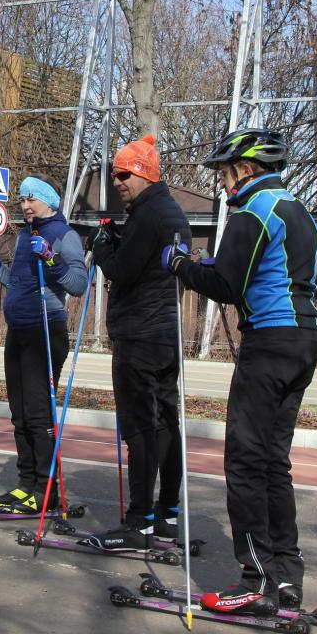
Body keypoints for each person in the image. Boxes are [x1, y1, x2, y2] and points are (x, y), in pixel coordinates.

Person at [164, 128, 317, 616]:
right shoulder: (298, 210)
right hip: (303, 339)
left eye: (225, 173)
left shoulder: (252, 212)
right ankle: (287, 575)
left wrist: (181, 265)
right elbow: (266, 272)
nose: (223, 182)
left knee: (245, 463)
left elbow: (227, 286)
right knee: (274, 462)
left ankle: (256, 580)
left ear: (246, 169)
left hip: (269, 343)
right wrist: (215, 264)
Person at [85, 134, 190, 552]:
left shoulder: (148, 216)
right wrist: (117, 240)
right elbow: (146, 264)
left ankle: (140, 521)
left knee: (140, 427)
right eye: (115, 174)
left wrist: (102, 248)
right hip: (164, 333)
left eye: (123, 174)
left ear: (144, 174)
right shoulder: (170, 211)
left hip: (140, 334)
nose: (117, 182)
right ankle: (166, 515)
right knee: (165, 423)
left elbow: (124, 272)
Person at [0, 176, 87, 513]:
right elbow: (15, 281)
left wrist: (51, 259)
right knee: (19, 414)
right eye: (21, 200)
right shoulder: (25, 236)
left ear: (48, 200)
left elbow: (78, 284)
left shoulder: (64, 234)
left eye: (31, 199)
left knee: (38, 414)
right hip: (18, 331)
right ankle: (26, 484)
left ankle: (47, 490)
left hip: (45, 331)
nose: (25, 205)